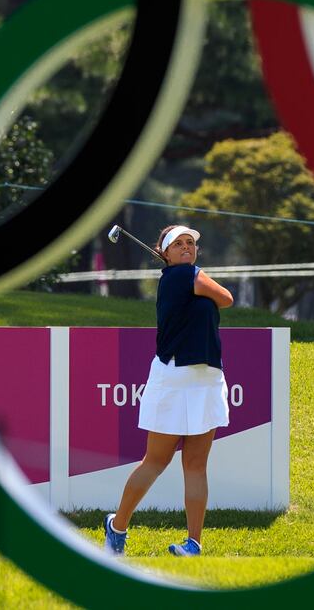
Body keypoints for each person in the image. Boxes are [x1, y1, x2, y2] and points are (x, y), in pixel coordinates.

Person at [104, 224, 233, 558]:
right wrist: (194, 272)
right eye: (178, 244)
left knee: (195, 465)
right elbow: (227, 298)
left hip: (205, 377)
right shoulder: (182, 276)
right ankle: (117, 527)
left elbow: (218, 301)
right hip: (174, 377)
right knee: (156, 461)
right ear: (164, 253)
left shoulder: (187, 275)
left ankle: (193, 544)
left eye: (191, 243)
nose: (187, 247)